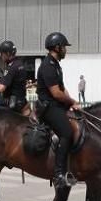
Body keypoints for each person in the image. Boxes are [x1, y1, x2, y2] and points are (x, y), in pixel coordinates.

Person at [36, 32, 81, 188]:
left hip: (56, 105)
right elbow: (55, 93)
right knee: (67, 132)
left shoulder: (55, 65)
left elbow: (62, 89)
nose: (65, 50)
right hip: (48, 107)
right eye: (64, 47)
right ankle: (59, 174)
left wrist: (73, 102)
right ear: (57, 47)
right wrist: (70, 101)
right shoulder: (48, 65)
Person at [0, 40, 28, 113]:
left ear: (8, 53)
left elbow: (1, 88)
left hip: (12, 103)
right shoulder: (20, 64)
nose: (1, 56)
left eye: (2, 54)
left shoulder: (11, 67)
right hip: (22, 101)